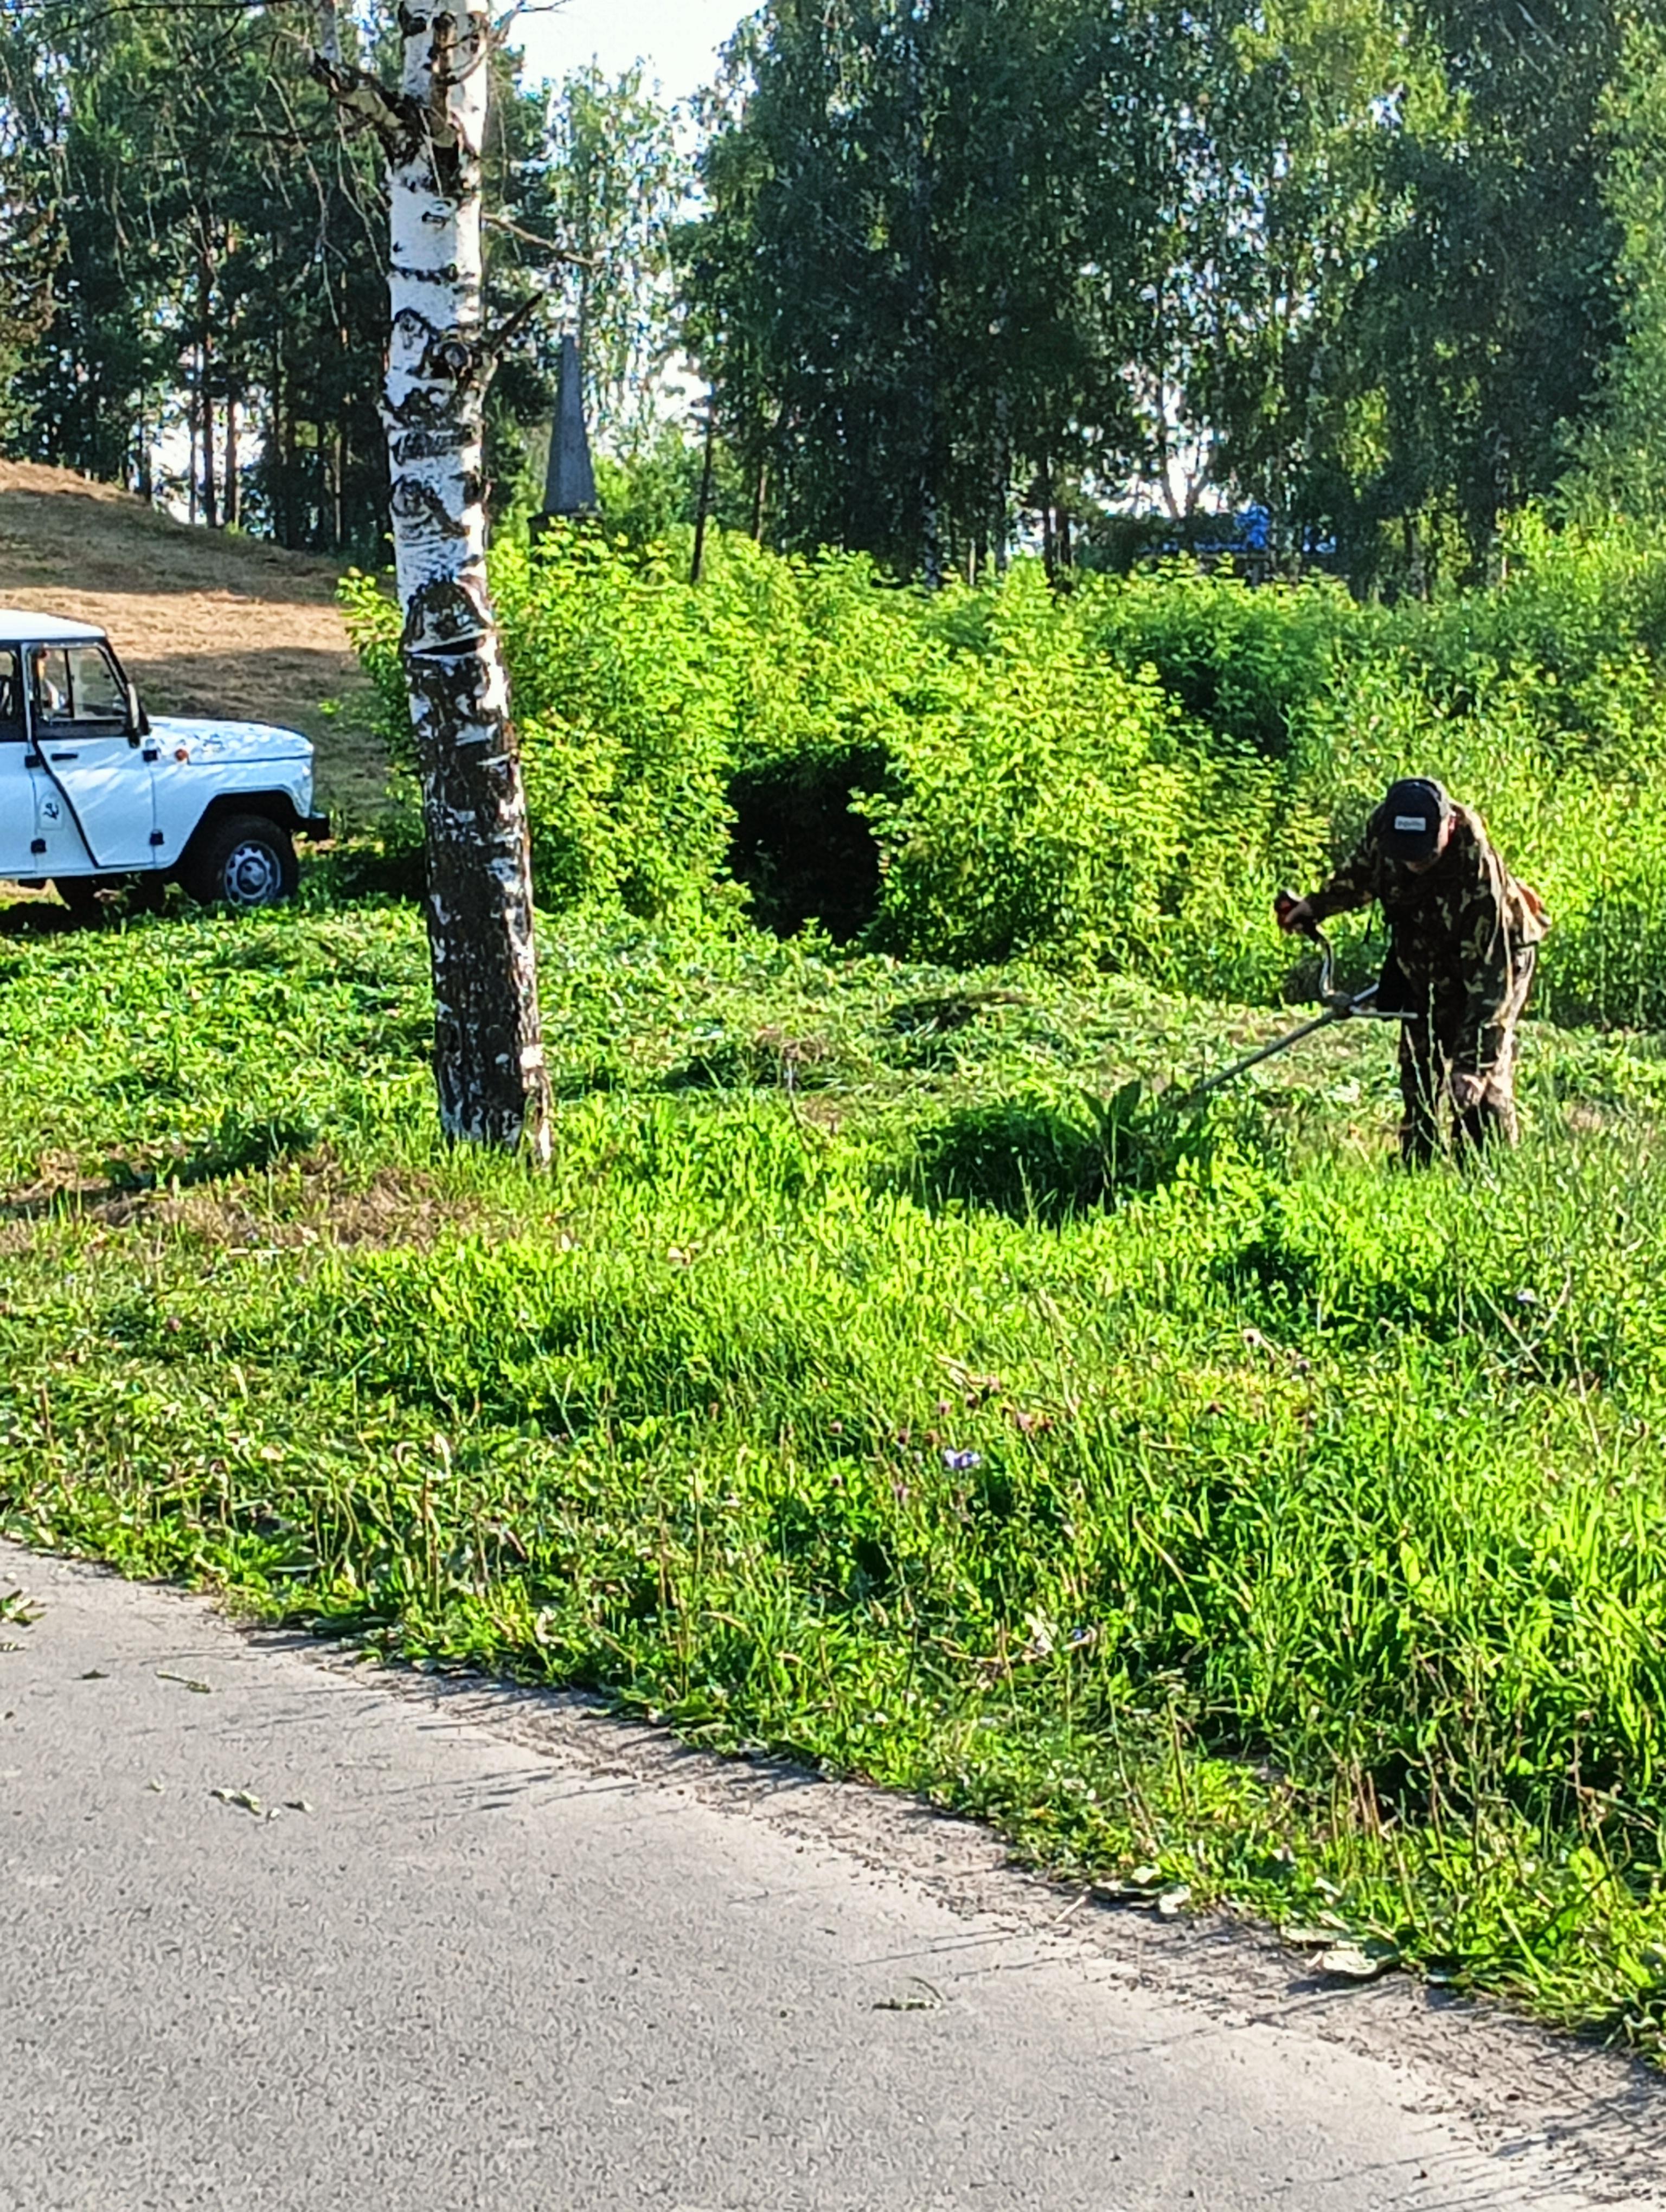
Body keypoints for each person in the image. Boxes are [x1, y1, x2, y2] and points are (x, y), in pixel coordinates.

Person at [1278, 777, 1548, 1165]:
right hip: (1426, 949)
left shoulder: (1477, 871)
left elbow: (1492, 983)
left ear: (1448, 827)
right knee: (1420, 1062)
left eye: (1424, 856)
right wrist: (1316, 906)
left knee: (1480, 1084)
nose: (1414, 865)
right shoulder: (1386, 828)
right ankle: (1417, 1159)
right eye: (1406, 856)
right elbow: (1362, 874)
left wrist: (1471, 1066)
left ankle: (1485, 1167)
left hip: (1498, 958)